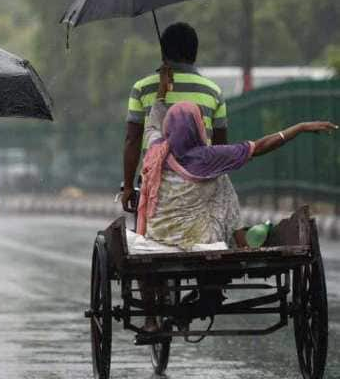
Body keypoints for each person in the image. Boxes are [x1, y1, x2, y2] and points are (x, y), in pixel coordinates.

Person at [136, 64, 337, 330]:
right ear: (198, 128)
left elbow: (152, 123)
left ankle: (160, 317)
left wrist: (162, 94)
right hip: (202, 238)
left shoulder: (156, 150)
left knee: (218, 179)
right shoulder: (209, 157)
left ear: (168, 131)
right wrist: (299, 127)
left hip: (160, 235)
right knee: (222, 178)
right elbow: (260, 146)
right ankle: (238, 236)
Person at [123, 22, 228, 212]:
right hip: (200, 184)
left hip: (155, 185)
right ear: (194, 53)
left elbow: (133, 139)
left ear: (163, 52)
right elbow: (220, 147)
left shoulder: (142, 88)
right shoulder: (214, 92)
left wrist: (129, 186)